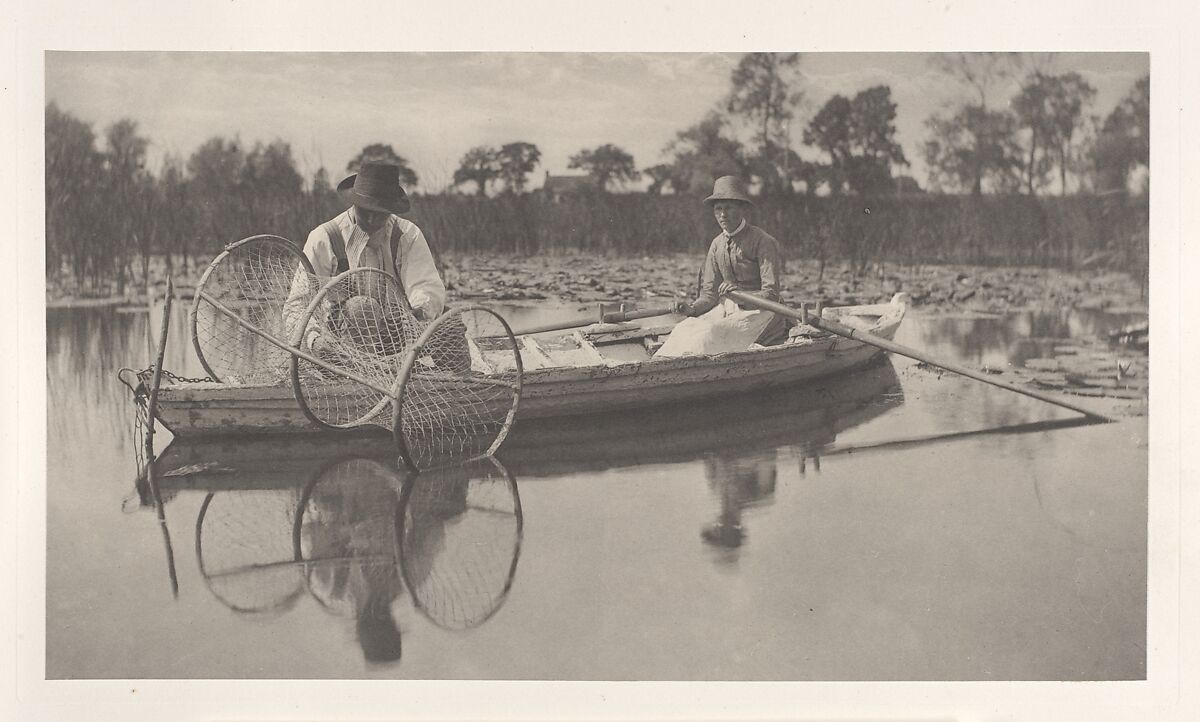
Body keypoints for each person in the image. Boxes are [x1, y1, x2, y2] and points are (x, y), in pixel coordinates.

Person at [285, 162, 446, 357]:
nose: (371, 220)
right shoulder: (325, 237)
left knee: (449, 323)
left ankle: (460, 382)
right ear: (354, 204)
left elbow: (426, 287)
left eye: (379, 213)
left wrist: (417, 314)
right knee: (362, 308)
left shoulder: (407, 235)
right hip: (338, 342)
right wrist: (314, 341)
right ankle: (357, 378)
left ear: (391, 209)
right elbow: (297, 304)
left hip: (397, 336)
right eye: (364, 211)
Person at [670, 175, 789, 347]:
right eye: (718, 209)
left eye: (729, 208)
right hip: (728, 311)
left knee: (712, 334)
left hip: (763, 313)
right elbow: (709, 295)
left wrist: (741, 297)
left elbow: (771, 294)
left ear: (742, 209)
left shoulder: (763, 241)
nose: (723, 215)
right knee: (684, 329)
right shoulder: (716, 244)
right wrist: (692, 309)